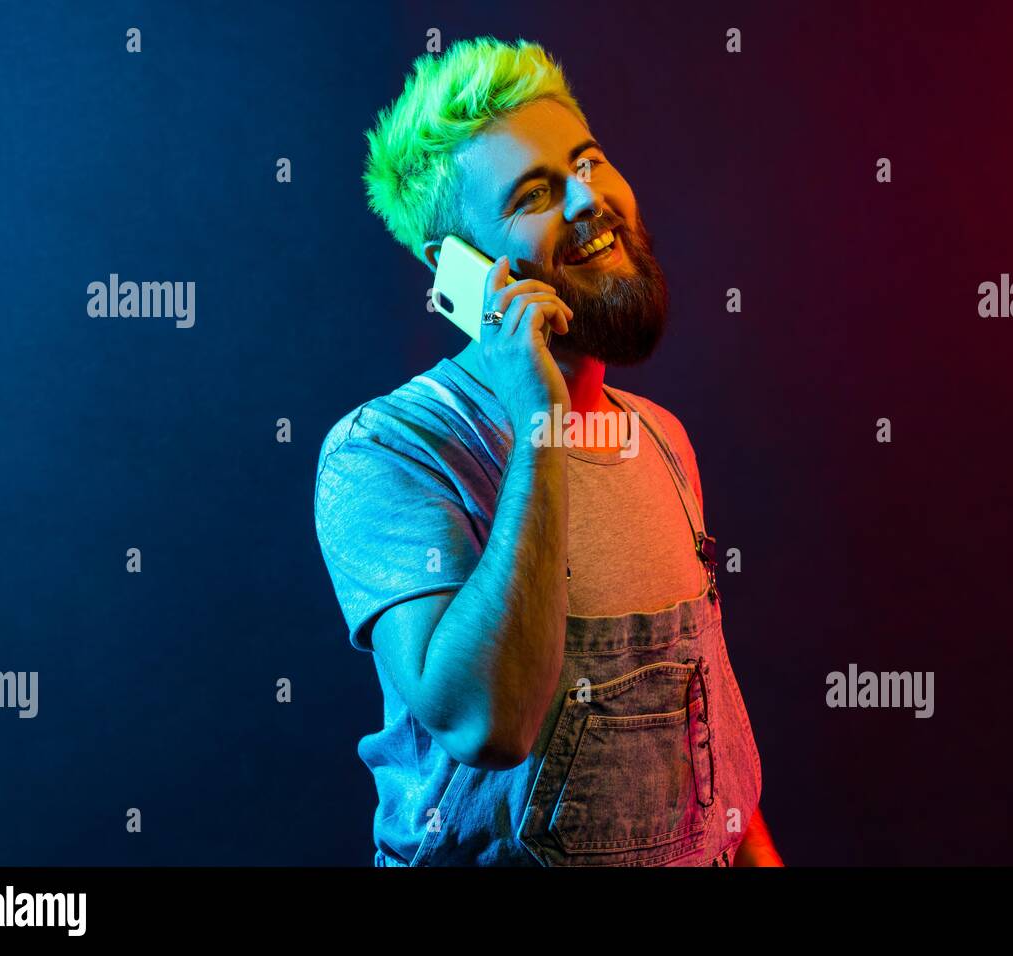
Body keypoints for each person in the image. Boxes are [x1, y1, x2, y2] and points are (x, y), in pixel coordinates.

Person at [314, 35, 781, 867]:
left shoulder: (663, 441)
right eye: (535, 193)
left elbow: (712, 773)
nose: (586, 199)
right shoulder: (385, 450)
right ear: (460, 270)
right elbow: (487, 724)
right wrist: (540, 425)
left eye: (589, 162)